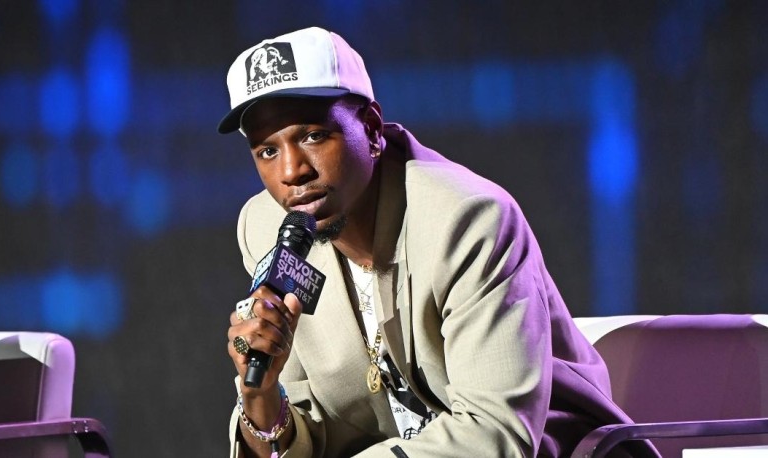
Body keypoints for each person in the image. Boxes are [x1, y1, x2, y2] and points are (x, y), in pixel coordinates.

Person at [220, 27, 654, 458]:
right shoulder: (264, 228)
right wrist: (261, 397)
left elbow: (496, 433)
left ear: (371, 129)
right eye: (267, 151)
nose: (292, 171)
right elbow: (306, 432)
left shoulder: (467, 220)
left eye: (313, 135)